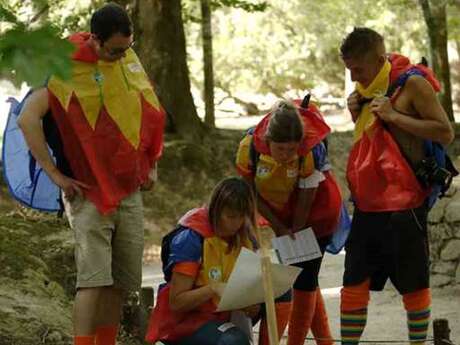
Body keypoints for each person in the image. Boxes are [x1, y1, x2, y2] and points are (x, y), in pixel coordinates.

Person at [17, 3, 165, 345]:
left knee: (119, 283)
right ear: (95, 41)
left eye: (127, 48)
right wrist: (56, 176)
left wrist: (151, 164)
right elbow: (27, 118)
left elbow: (146, 112)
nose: (121, 56)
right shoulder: (64, 68)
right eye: (114, 50)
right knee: (93, 281)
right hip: (87, 193)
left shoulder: (127, 60)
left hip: (128, 190)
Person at [340, 27, 455, 345]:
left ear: (379, 60)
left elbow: (445, 133)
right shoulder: (366, 91)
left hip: (405, 209)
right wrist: (359, 112)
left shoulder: (413, 85)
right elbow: (378, 143)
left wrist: (393, 115)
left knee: (414, 285)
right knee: (353, 283)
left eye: (358, 70)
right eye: (349, 70)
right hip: (366, 207)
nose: (353, 78)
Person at [236, 99, 345, 345]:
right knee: (304, 275)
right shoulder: (249, 148)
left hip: (318, 214)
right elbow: (251, 191)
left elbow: (308, 195)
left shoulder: (309, 150)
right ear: (268, 141)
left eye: (291, 150)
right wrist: (279, 226)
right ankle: (325, 341)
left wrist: (294, 229)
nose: (286, 156)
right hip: (282, 215)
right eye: (280, 150)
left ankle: (294, 342)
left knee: (304, 278)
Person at [145, 177, 260, 345]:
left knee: (279, 296)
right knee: (234, 341)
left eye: (242, 217)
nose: (237, 223)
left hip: (222, 314)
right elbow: (177, 302)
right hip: (184, 322)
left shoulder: (243, 236)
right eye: (231, 216)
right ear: (216, 211)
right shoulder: (191, 239)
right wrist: (214, 288)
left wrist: (250, 304)